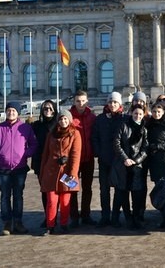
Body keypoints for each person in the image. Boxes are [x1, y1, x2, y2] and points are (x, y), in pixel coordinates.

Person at [0, 101, 38, 235]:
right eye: (8, 110)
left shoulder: (25, 128)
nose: (11, 112)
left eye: (13, 110)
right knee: (5, 196)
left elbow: (34, 144)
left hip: (20, 168)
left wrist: (25, 155)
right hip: (3, 169)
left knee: (18, 196)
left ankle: (18, 222)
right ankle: (7, 223)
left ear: (18, 112)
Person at [39, 109, 82, 235]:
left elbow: (76, 155)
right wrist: (42, 173)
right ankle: (50, 225)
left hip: (67, 173)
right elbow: (45, 154)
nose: (63, 121)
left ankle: (64, 224)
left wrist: (73, 174)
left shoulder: (75, 134)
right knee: (51, 201)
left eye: (65, 119)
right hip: (51, 172)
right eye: (61, 119)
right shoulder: (51, 134)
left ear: (69, 120)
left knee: (65, 201)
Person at [110, 104, 148, 229]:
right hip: (122, 165)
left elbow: (145, 149)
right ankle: (126, 218)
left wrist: (136, 161)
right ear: (131, 113)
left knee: (137, 195)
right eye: (136, 113)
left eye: (140, 114)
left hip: (136, 166)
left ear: (143, 115)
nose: (137, 116)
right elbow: (116, 143)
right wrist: (125, 159)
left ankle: (136, 218)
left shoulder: (144, 129)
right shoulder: (124, 125)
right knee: (122, 193)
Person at [91, 91, 126, 227]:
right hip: (104, 160)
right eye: (110, 102)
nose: (112, 104)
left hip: (118, 161)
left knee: (118, 190)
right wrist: (99, 153)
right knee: (104, 190)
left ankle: (115, 217)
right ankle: (105, 216)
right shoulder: (100, 119)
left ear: (120, 104)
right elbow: (95, 137)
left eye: (115, 102)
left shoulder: (124, 118)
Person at [69, 90, 97, 227]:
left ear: (87, 101)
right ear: (74, 102)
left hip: (88, 158)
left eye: (83, 101)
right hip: (72, 161)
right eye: (78, 101)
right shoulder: (68, 117)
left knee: (87, 188)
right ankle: (73, 216)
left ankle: (86, 215)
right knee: (72, 188)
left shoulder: (92, 117)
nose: (81, 103)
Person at [30, 100, 58, 225]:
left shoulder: (59, 124)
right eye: (45, 108)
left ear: (54, 110)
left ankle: (55, 218)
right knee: (45, 191)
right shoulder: (36, 125)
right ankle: (48, 217)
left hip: (56, 163)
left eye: (50, 108)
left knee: (57, 191)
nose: (48, 110)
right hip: (40, 162)